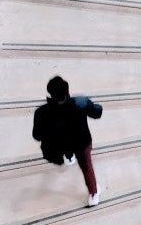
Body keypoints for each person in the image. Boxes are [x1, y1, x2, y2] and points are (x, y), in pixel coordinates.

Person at [33, 75, 103, 207]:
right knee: (87, 167)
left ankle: (69, 157)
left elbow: (36, 135)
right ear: (67, 92)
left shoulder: (42, 113)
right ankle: (93, 194)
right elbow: (97, 113)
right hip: (82, 143)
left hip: (62, 146)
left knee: (66, 148)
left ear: (51, 94)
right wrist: (96, 107)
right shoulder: (81, 103)